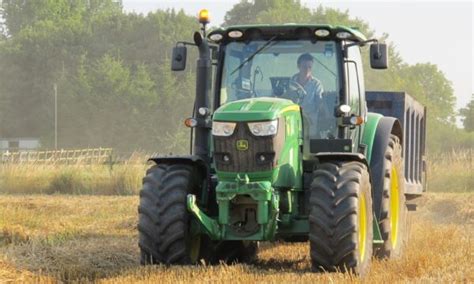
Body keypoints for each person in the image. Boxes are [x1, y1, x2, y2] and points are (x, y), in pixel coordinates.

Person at [290, 53, 325, 138]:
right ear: (298, 66)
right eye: (304, 67)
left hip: (310, 121)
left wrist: (322, 105)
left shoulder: (316, 84)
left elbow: (320, 103)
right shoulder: (290, 83)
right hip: (292, 119)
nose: (307, 70)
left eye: (309, 67)